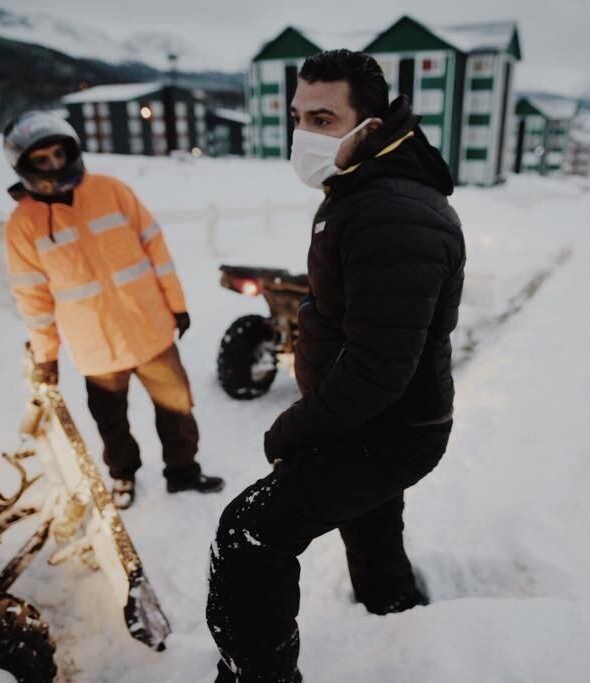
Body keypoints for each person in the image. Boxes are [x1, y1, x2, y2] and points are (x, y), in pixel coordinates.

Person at [206, 50, 465, 681]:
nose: (303, 135)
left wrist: (293, 431)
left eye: (322, 118)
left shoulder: (393, 211)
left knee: (250, 532)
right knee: (372, 524)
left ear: (371, 126)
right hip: (384, 422)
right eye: (297, 117)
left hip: (390, 429)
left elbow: (378, 368)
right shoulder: (363, 189)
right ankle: (396, 615)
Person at [2, 111, 224, 508]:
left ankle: (183, 471)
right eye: (41, 159)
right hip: (96, 347)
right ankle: (123, 476)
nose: (53, 164)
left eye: (58, 153)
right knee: (111, 422)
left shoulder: (112, 191)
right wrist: (45, 356)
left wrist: (177, 306)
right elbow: (33, 298)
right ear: (24, 166)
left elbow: (157, 250)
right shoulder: (23, 225)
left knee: (177, 407)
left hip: (150, 329)